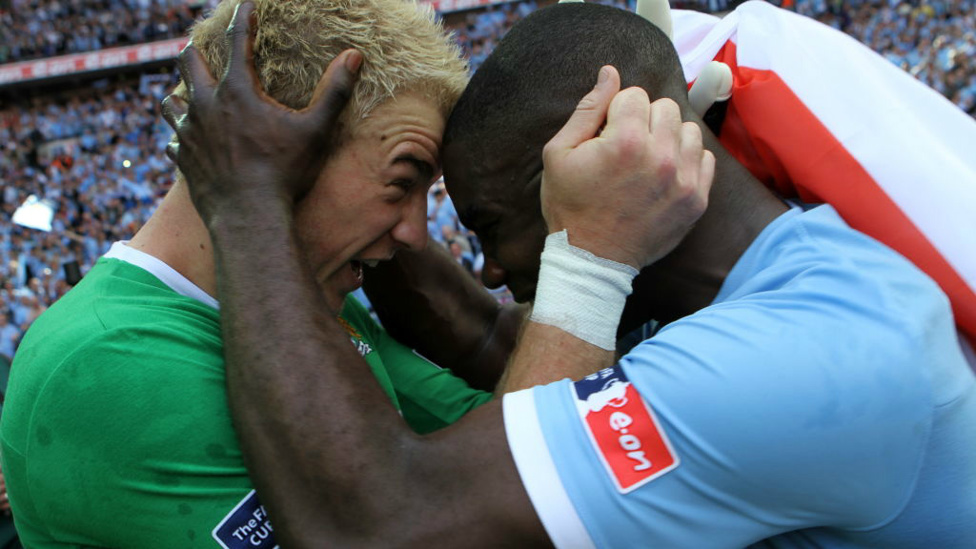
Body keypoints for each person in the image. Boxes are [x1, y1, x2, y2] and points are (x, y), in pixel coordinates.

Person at [168, 1, 975, 547]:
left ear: (591, 168)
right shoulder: (756, 282)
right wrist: (356, 211)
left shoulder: (797, 364)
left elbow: (384, 523)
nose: (484, 268)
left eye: (486, 227)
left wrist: (247, 200)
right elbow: (497, 337)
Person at [0, 0, 494, 546]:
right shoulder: (106, 367)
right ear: (275, 147)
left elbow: (497, 446)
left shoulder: (304, 299)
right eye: (403, 182)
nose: (416, 234)